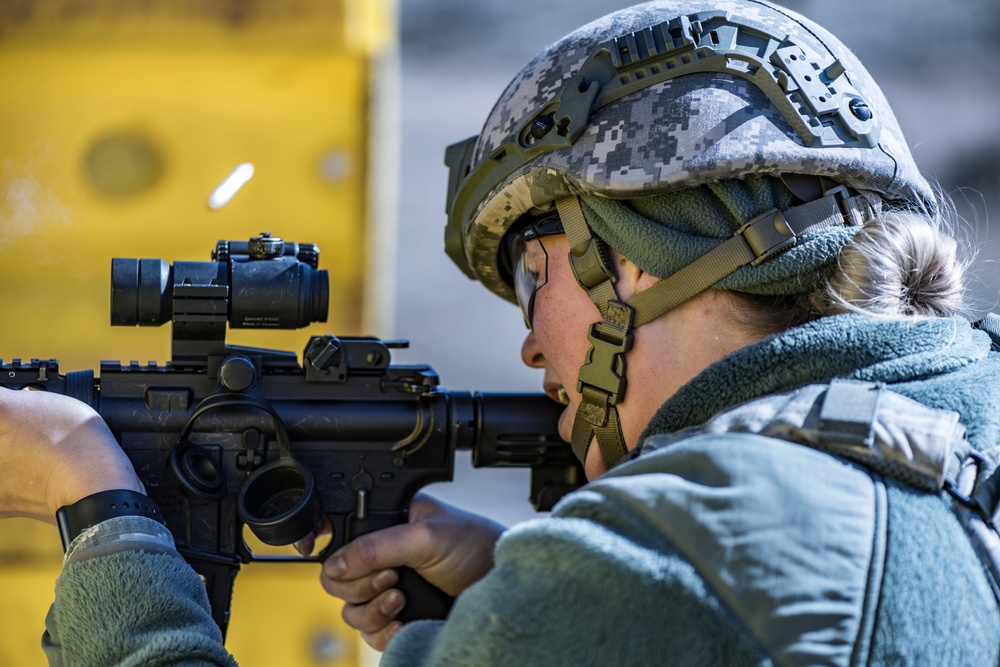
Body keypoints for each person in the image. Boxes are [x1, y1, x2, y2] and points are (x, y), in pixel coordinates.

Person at [2, 0, 1000, 665]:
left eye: (534, 274)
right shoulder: (964, 438)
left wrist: (97, 508)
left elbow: (686, 594)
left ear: (636, 259)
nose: (529, 346)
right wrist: (519, 593)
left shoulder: (671, 556)